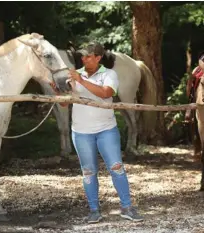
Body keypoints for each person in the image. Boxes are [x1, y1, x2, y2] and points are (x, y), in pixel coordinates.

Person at [68, 42, 144, 224]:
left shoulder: (110, 74)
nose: (83, 59)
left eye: (88, 56)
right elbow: (65, 102)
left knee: (117, 168)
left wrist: (81, 81)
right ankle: (94, 211)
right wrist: (59, 90)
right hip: (81, 132)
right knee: (88, 172)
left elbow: (106, 92)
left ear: (98, 58)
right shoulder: (75, 76)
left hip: (106, 131)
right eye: (83, 56)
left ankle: (127, 207)